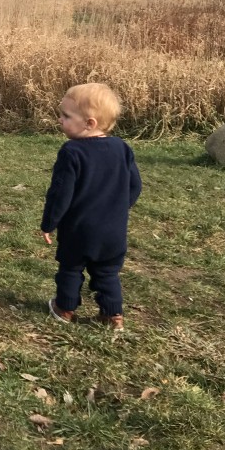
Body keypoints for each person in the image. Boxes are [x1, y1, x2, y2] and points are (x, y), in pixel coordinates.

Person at [40, 83, 141, 331]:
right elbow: (135, 186)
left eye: (66, 116)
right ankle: (112, 315)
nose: (59, 119)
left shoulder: (72, 151)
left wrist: (49, 223)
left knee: (71, 268)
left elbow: (61, 192)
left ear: (90, 123)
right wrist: (118, 208)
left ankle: (64, 308)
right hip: (113, 231)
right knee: (107, 272)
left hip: (79, 229)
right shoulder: (122, 148)